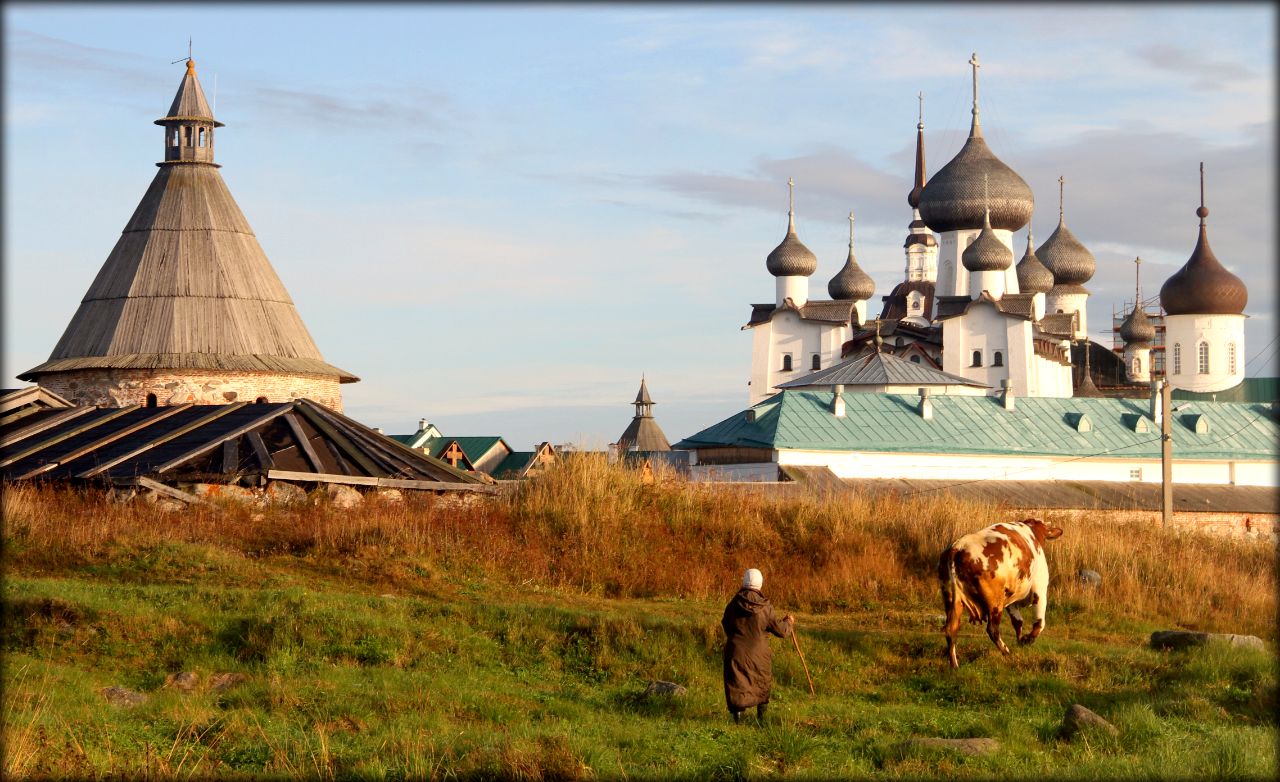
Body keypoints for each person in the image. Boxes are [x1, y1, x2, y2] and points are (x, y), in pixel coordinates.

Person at [721, 567, 795, 724]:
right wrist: (788, 622)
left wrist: (736, 638)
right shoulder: (765, 607)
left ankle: (738, 722)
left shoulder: (732, 604)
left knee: (737, 684)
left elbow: (726, 624)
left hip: (736, 652)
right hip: (759, 655)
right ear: (760, 583)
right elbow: (781, 631)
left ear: (744, 581)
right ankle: (762, 720)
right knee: (761, 683)